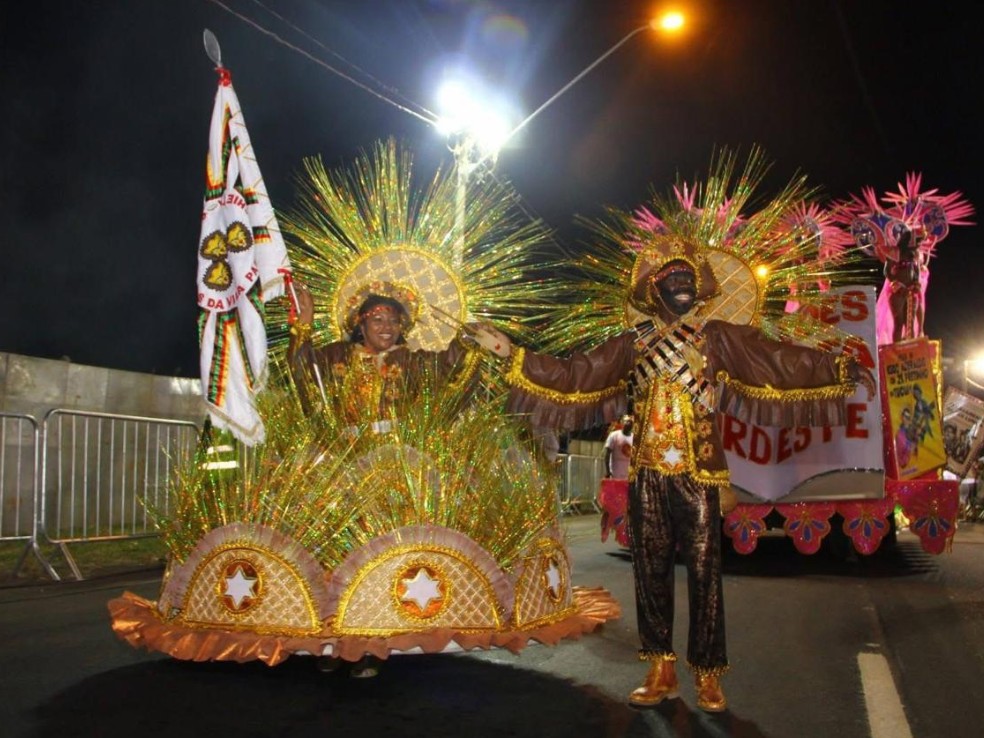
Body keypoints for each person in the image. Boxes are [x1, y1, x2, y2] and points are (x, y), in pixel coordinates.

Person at [496, 237, 874, 713]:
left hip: (700, 474)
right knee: (649, 575)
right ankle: (660, 668)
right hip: (647, 475)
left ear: (701, 287)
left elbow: (777, 360)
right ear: (653, 289)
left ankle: (709, 675)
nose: (680, 285)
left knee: (704, 576)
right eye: (671, 278)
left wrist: (835, 366)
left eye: (688, 279)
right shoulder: (631, 345)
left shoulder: (718, 337)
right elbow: (575, 374)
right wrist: (513, 354)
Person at [288, 281, 507, 677]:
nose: (387, 325)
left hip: (393, 470)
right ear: (360, 322)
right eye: (377, 318)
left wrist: (469, 337)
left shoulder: (412, 361)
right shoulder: (337, 356)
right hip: (341, 464)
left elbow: (450, 368)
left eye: (394, 319)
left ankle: (370, 645)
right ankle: (330, 641)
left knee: (377, 557)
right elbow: (303, 373)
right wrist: (302, 328)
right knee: (335, 552)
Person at [604, 415, 634, 480]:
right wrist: (608, 472)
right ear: (622, 422)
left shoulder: (634, 438)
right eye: (627, 421)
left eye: (631, 422)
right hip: (615, 474)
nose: (629, 424)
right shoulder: (614, 435)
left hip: (628, 475)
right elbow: (607, 455)